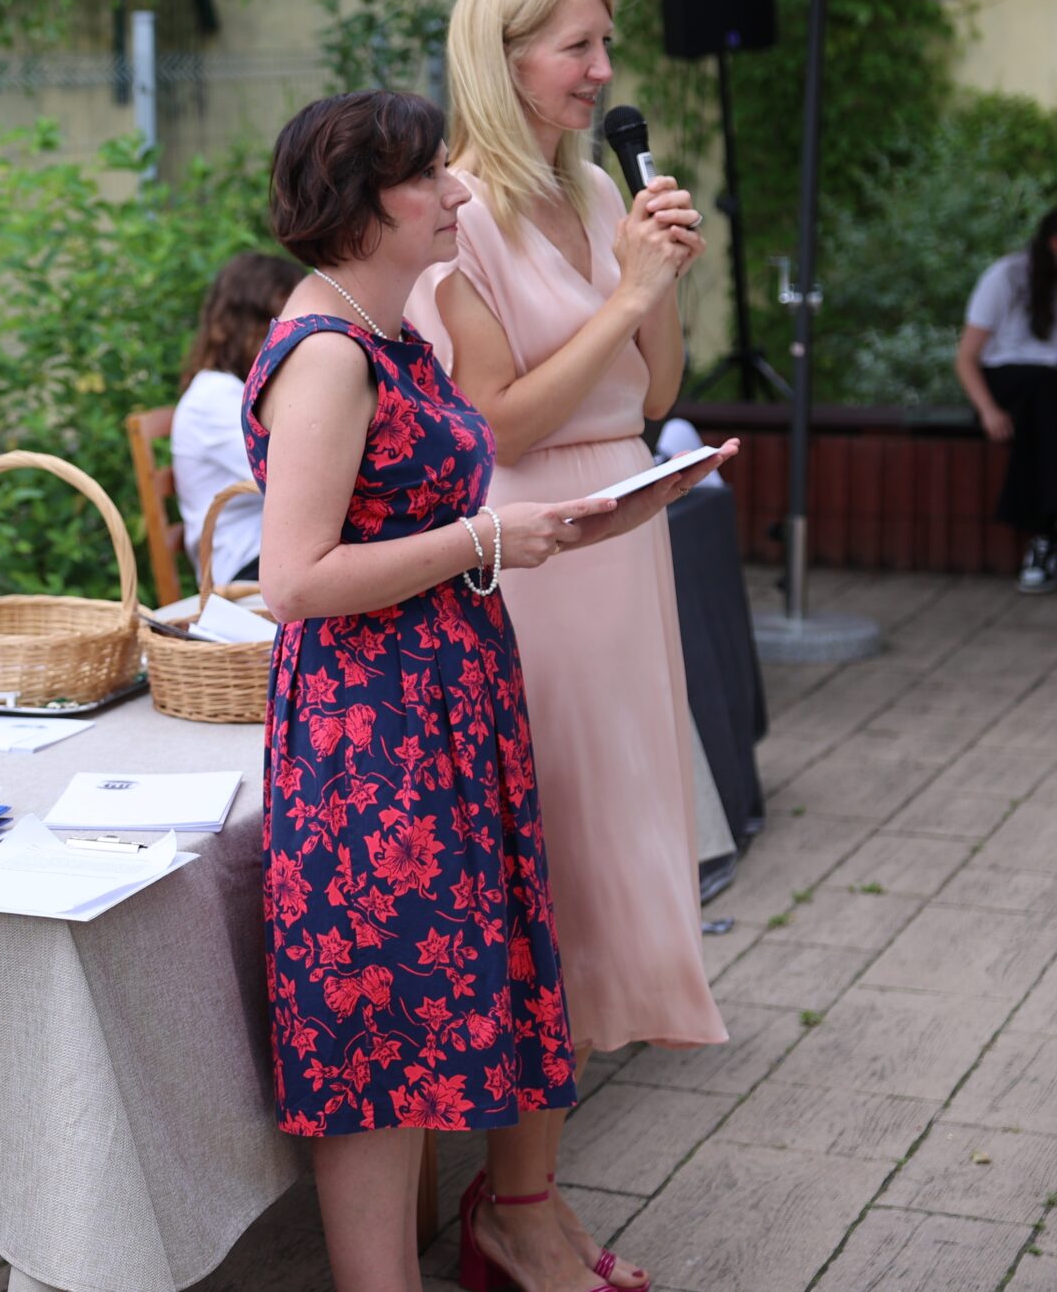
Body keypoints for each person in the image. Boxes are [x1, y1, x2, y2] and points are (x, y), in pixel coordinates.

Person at [245, 88, 725, 1292]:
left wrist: (588, 518)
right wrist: (484, 539)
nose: (456, 189)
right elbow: (294, 581)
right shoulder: (327, 354)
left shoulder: (388, 332)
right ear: (363, 206)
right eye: (428, 177)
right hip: (374, 735)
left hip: (442, 710)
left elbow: (435, 517)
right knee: (380, 1029)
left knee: (423, 1009)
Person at [409, 0, 730, 1292]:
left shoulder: (597, 187)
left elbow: (652, 393)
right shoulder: (456, 215)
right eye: (577, 47)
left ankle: (523, 1194)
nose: (603, 71)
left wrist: (662, 283)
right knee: (551, 875)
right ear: (503, 57)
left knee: (601, 874)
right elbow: (492, 427)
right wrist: (628, 297)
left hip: (622, 541)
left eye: (606, 44)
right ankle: (517, 1207)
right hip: (532, 558)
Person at [173, 253, 305, 588]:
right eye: (285, 324)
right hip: (244, 567)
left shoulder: (243, 392)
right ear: (247, 323)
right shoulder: (213, 398)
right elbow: (295, 478)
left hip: (276, 554)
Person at [955, 205, 1057, 594]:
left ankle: (1044, 536)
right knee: (1044, 397)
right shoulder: (1007, 276)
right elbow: (966, 357)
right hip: (1007, 381)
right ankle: (1045, 535)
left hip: (1048, 393)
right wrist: (988, 411)